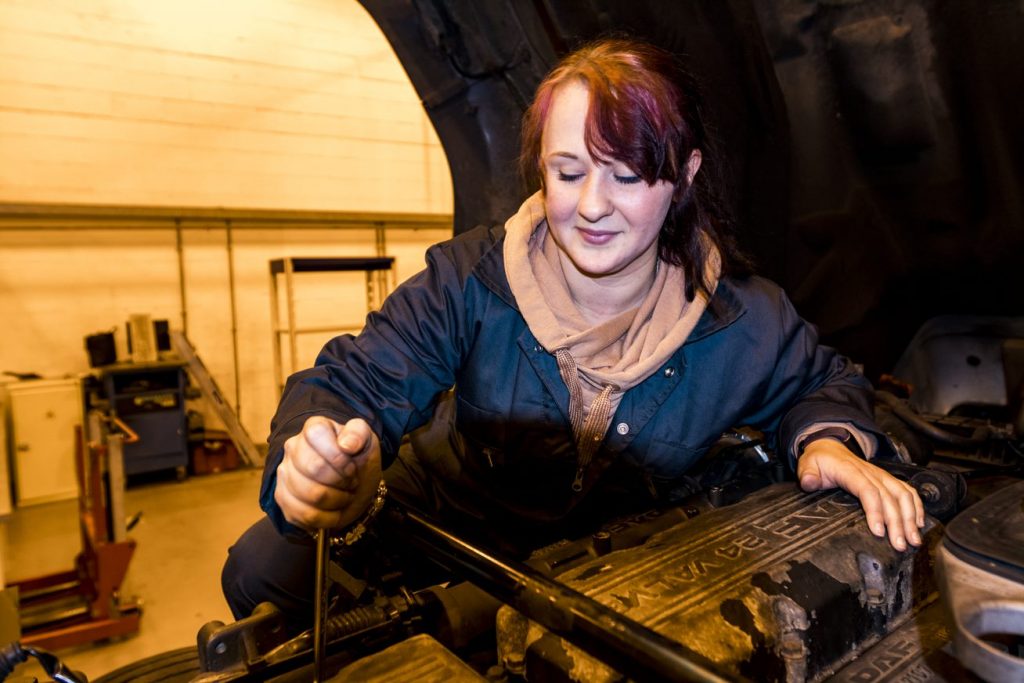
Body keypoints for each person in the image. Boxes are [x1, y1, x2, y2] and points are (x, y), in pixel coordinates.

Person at [222, 37, 924, 631]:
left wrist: (827, 438)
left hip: (605, 566)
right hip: (446, 530)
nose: (591, 205)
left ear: (683, 177)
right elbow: (350, 382)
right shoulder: (469, 277)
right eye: (568, 170)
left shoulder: (744, 317)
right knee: (263, 567)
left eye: (626, 175)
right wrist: (321, 458)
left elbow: (826, 382)